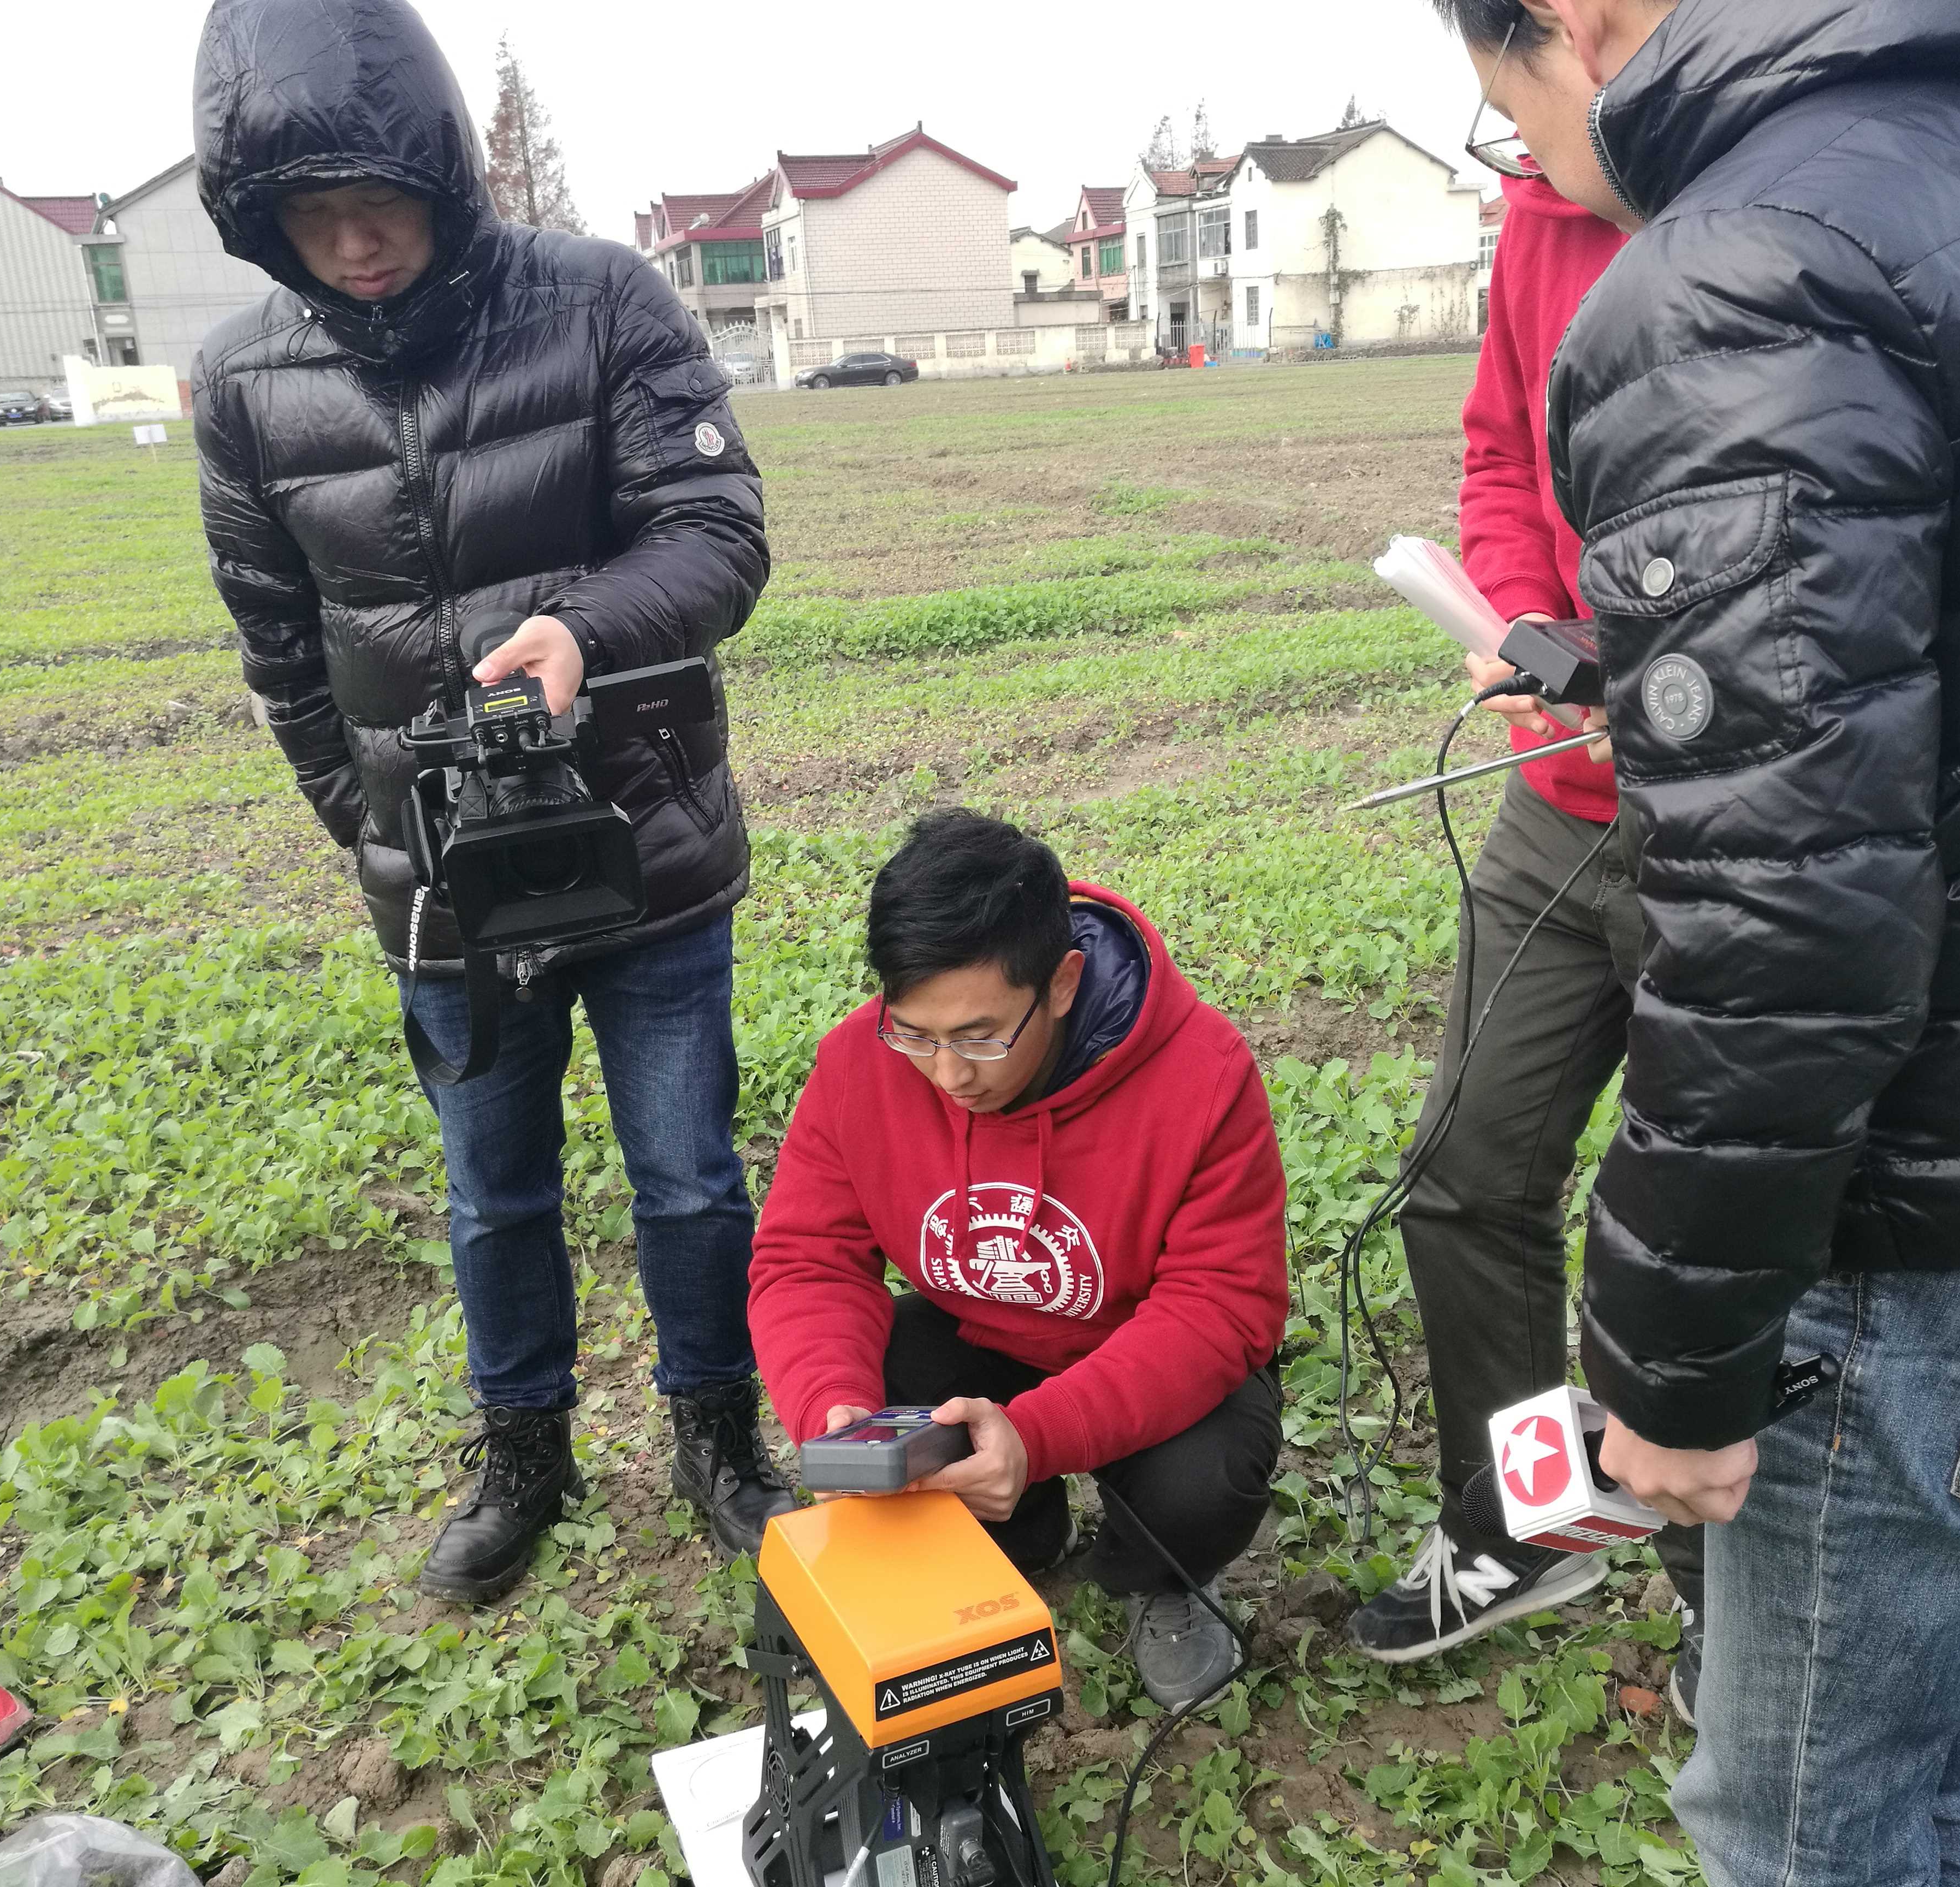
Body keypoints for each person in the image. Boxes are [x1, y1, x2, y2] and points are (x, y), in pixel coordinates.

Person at [1425, 0, 1960, 1879]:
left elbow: (1777, 918)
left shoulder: (1739, 263)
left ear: (1573, 21)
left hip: (1948, 1256)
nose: (1540, 164)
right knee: (1933, 1767)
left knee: (1798, 1830)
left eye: (1509, 112)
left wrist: (1664, 1368)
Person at [191, 0, 789, 1599]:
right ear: (260, 224)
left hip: (648, 845)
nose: (355, 240)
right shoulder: (241, 381)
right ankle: (523, 1448)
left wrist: (583, 634)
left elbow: (720, 533)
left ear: (444, 174)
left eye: (377, 199)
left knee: (686, 1173)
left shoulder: (599, 303)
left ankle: (718, 1433)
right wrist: (374, 830)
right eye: (309, 216)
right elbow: (280, 649)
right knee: (491, 1191)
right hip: (443, 888)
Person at [1346, 92, 1708, 1718]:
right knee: (1464, 1178)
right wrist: (1511, 617)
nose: (1515, 146)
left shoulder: (1779, 202)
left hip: (1746, 837)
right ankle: (1530, 1521)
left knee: (1717, 1233)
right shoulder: (1541, 217)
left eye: (1516, 97)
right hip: (1557, 812)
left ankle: (1735, 1594)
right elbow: (1502, 453)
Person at [748, 811, 1288, 1709]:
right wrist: (830, 1410)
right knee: (868, 1391)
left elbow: (1220, 1305)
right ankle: (1016, 1531)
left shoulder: (1204, 1072)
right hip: (978, 1335)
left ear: (1065, 982)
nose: (949, 1074)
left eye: (981, 1036)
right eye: (916, 1033)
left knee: (1204, 1482)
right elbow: (809, 1260)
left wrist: (1036, 1438)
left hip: (1141, 1352)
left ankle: (1157, 1580)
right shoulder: (857, 1064)